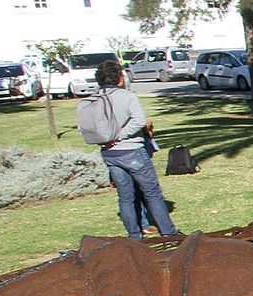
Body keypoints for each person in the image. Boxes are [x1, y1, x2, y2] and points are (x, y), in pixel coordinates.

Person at [75, 60, 182, 239]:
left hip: (109, 154)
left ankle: (134, 236)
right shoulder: (126, 96)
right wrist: (120, 136)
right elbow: (140, 121)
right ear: (119, 78)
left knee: (125, 196)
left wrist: (107, 140)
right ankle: (169, 234)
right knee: (152, 194)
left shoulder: (92, 99)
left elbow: (84, 128)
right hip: (132, 151)